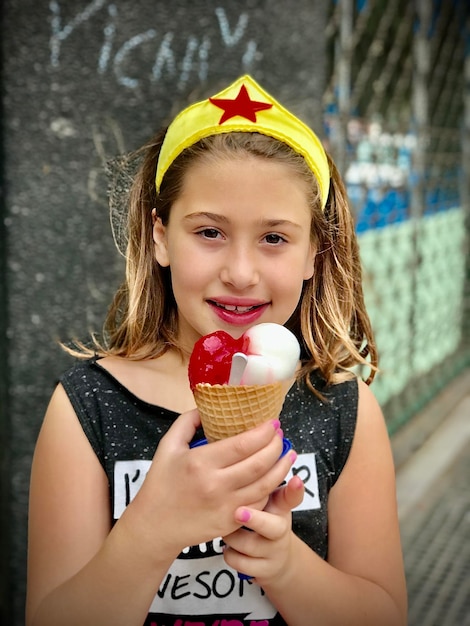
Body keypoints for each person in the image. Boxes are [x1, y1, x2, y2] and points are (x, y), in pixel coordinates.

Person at [26, 75, 407, 626]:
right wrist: (151, 530)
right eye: (209, 232)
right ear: (160, 237)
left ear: (313, 255)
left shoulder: (344, 410)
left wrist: (286, 566)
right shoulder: (86, 408)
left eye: (274, 238)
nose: (240, 272)